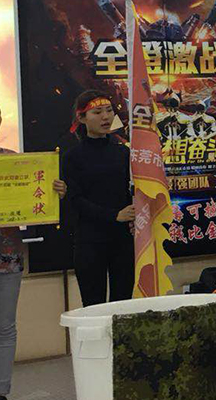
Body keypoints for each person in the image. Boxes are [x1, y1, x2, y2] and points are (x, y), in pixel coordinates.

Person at [0, 91, 66, 400]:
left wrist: (54, 190)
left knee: (5, 328)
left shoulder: (13, 160)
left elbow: (33, 198)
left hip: (8, 256)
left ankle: (1, 393)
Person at [62, 90, 135, 307]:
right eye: (97, 112)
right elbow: (75, 200)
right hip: (90, 241)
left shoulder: (123, 153)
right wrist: (114, 215)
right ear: (82, 118)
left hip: (123, 240)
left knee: (123, 306)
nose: (105, 117)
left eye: (109, 111)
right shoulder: (72, 156)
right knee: (94, 307)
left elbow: (132, 191)